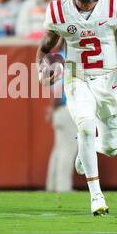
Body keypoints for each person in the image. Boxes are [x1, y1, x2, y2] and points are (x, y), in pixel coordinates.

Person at [36, 0, 117, 216]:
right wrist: (41, 68)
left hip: (109, 81)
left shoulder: (114, 8)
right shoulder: (60, 12)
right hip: (77, 78)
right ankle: (96, 196)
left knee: (110, 147)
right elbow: (44, 48)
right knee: (85, 126)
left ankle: (85, 154)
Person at [45, 45, 77, 193]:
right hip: (67, 109)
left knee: (59, 149)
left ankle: (52, 185)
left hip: (60, 110)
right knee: (68, 150)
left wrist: (52, 108)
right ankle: (63, 187)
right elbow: (58, 89)